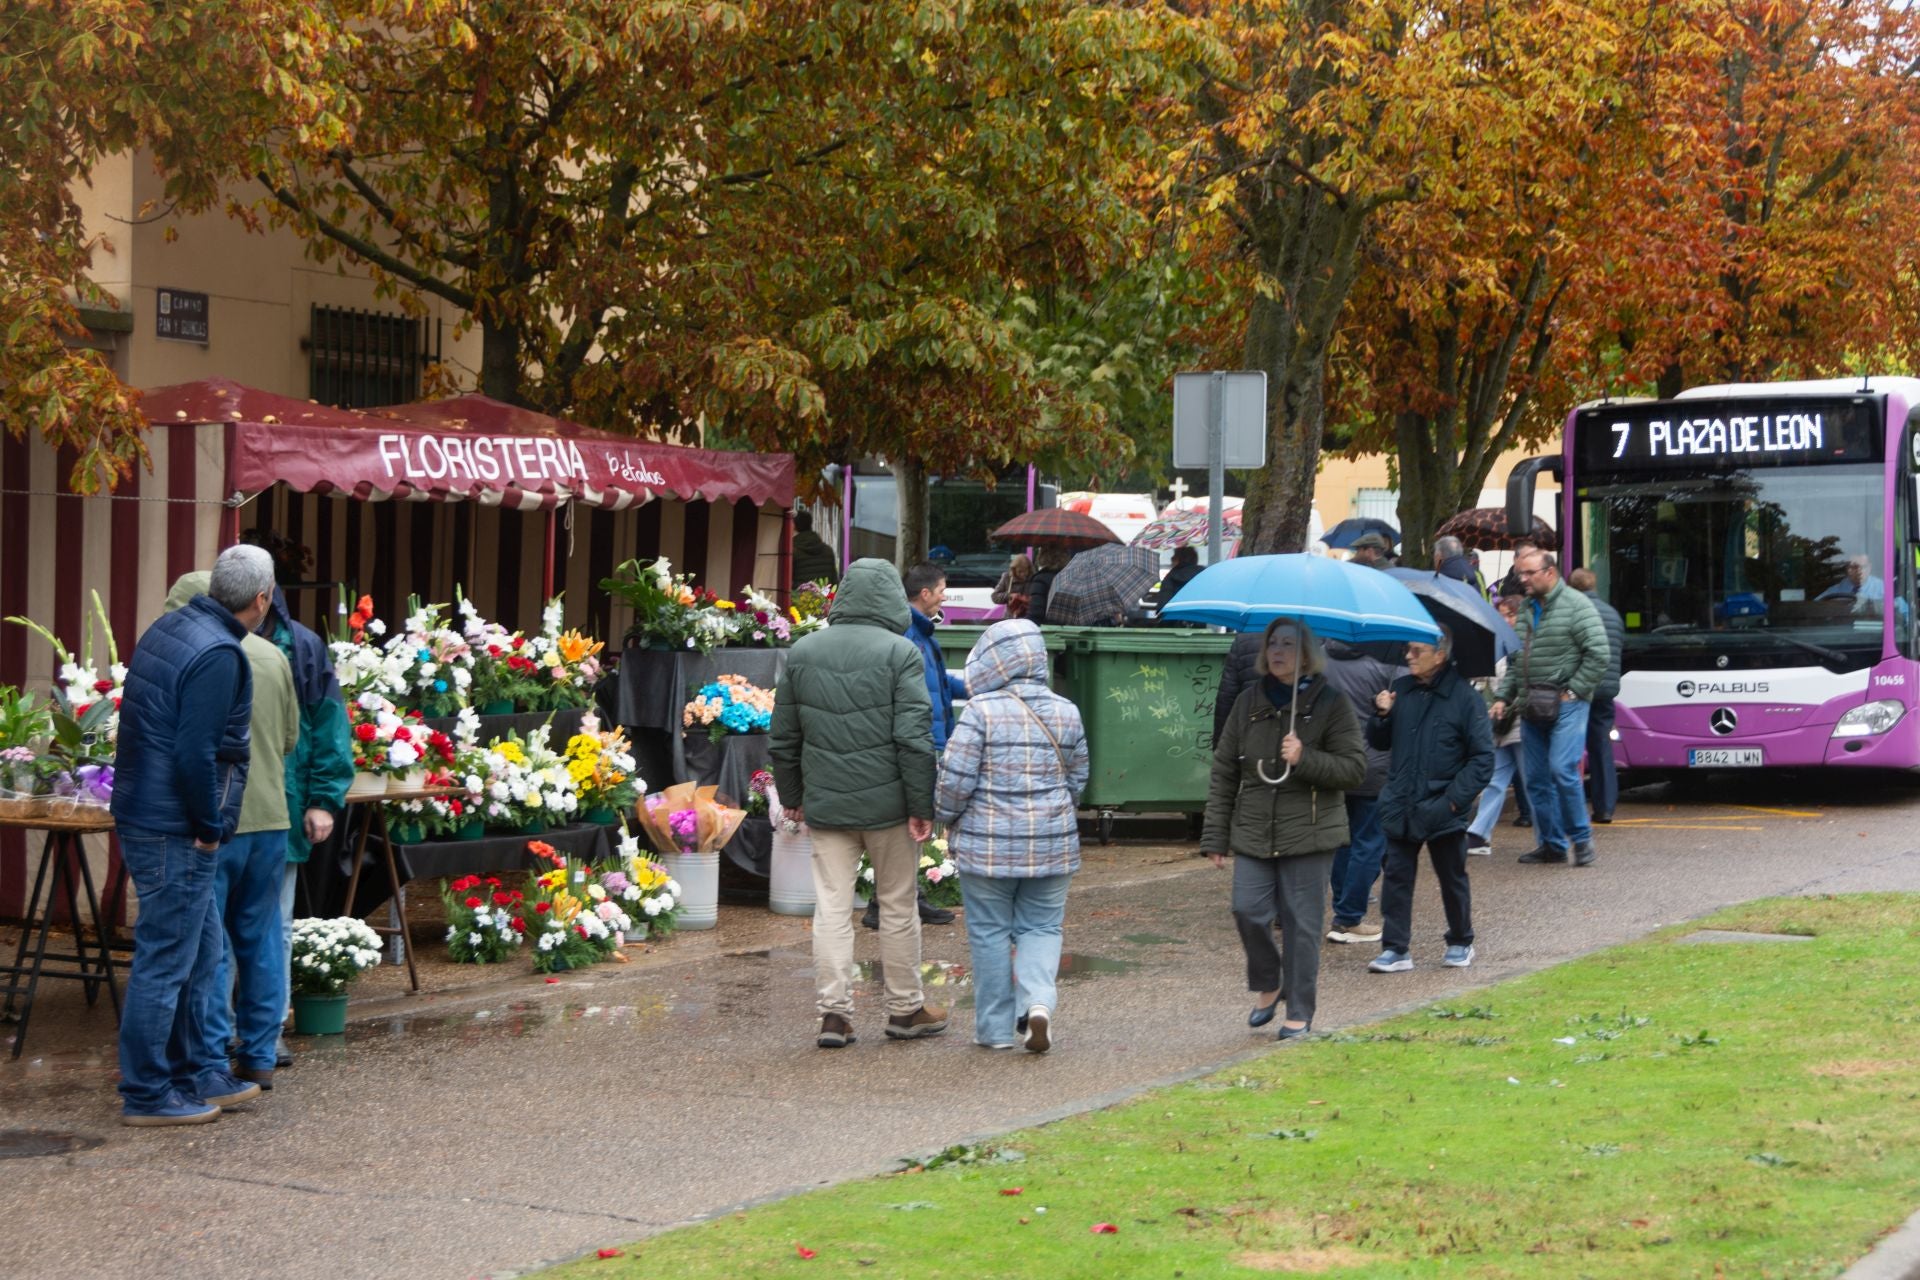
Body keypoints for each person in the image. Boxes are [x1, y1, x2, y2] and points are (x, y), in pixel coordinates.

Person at [112, 545, 272, 1126]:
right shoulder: (219, 654)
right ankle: (148, 1091)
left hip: (149, 814)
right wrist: (209, 828)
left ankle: (194, 1071)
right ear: (262, 598)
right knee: (168, 959)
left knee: (201, 952)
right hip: (173, 827)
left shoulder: (173, 628)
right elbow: (195, 751)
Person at [769, 558, 947, 1049]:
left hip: (827, 804)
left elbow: (784, 738)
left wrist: (794, 798)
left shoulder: (804, 651)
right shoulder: (900, 652)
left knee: (831, 909)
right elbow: (913, 738)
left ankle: (834, 1015)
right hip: (891, 806)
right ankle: (905, 1009)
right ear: (892, 597)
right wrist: (921, 804)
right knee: (897, 906)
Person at [162, 572, 297, 1094]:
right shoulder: (271, 656)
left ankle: (212, 1056)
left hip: (217, 820)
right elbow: (289, 739)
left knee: (210, 944)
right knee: (261, 939)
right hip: (270, 818)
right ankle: (260, 1055)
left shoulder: (193, 656)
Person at [1201, 620, 1367, 1040]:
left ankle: (1299, 1010)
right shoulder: (1248, 701)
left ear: (1307, 652)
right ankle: (1270, 981)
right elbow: (1224, 771)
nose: (1277, 651)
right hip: (1255, 826)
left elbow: (1353, 769)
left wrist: (1305, 757)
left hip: (1309, 830)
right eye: (1273, 643)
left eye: (1289, 644)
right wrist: (1215, 836)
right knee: (1247, 910)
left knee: (1302, 923)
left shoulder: (1332, 703)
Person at [936, 620, 1089, 1052]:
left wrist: (945, 817)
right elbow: (1078, 778)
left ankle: (995, 1030)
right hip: (1052, 844)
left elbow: (954, 781)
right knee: (1041, 926)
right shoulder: (1067, 710)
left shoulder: (980, 712)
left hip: (987, 848)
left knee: (989, 932)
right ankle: (1038, 1003)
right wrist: (1053, 815)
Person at [260, 586, 355, 1068]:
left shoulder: (301, 645)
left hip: (284, 800)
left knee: (275, 923)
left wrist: (322, 800)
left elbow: (327, 721)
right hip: (232, 808)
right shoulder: (215, 638)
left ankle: (267, 1028)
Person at [1366, 626, 1495, 972]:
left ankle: (1460, 940)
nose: (1408, 656)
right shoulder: (1401, 690)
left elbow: (1483, 758)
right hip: (1403, 801)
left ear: (1440, 655)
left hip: (1443, 805)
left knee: (1452, 876)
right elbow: (1379, 742)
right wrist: (1380, 715)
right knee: (1395, 877)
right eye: (1408, 649)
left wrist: (1453, 802)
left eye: (1416, 651)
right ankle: (1395, 948)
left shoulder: (1466, 699)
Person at [1491, 549, 1610, 868]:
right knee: (1536, 779)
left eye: (1529, 573)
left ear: (1550, 572)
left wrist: (1574, 691)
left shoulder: (1577, 605)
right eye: (1520, 574)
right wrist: (1503, 697)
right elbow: (1517, 662)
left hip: (1566, 703)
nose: (1522, 580)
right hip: (1531, 704)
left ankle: (1581, 840)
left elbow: (1599, 654)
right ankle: (1552, 844)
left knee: (1561, 770)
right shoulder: (1528, 607)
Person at [864, 561, 963, 929]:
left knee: (914, 823)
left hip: (928, 735)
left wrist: (976, 685)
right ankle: (895, 900)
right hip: (920, 738)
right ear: (924, 594)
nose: (943, 599)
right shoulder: (909, 633)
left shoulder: (920, 632)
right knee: (913, 821)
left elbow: (937, 680)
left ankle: (902, 897)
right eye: (940, 591)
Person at [1319, 638, 1403, 946]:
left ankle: (1344, 907)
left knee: (1343, 839)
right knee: (1370, 842)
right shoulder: (1387, 663)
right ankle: (1348, 918)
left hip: (1335, 761)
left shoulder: (1322, 657)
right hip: (1374, 763)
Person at [1466, 595, 1530, 854]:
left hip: (1520, 723)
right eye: (1502, 614)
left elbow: (1520, 684)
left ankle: (1555, 833)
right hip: (1500, 724)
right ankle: (1479, 834)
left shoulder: (1525, 644)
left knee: (1533, 780)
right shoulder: (1496, 644)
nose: (1506, 620)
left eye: (1511, 614)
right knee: (1495, 778)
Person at [1568, 568, 1624, 825]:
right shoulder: (1613, 613)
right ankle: (1605, 807)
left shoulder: (1575, 612)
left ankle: (1572, 806)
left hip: (1580, 687)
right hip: (1607, 689)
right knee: (1601, 747)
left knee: (1569, 746)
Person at [1816, 553, 1886, 613]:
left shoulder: (1883, 588)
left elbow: (1895, 610)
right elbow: (1814, 607)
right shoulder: (1834, 592)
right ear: (1847, 569)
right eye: (1854, 567)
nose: (1859, 571)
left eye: (1864, 567)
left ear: (1870, 567)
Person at [1148, 546, 1204, 618]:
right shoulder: (1204, 575)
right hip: (1201, 621)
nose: (1171, 558)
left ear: (1180, 559)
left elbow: (1163, 605)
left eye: (1174, 556)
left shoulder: (1170, 578)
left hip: (1175, 622)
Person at [790, 510, 841, 587]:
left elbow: (787, 582)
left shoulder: (792, 552)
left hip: (798, 597)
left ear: (794, 526)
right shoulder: (828, 551)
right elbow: (834, 583)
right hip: (824, 598)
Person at [1024, 547, 1071, 625]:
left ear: (1043, 556)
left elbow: (1036, 612)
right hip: (1070, 632)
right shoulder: (1071, 577)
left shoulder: (1040, 579)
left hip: (1048, 632)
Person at [991, 553, 1034, 619]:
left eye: (1025, 571)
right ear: (1014, 570)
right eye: (1020, 572)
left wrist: (1028, 600)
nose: (1023, 574)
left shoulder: (1034, 579)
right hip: (1010, 618)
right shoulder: (1007, 577)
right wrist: (1009, 596)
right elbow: (995, 597)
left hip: (1028, 618)